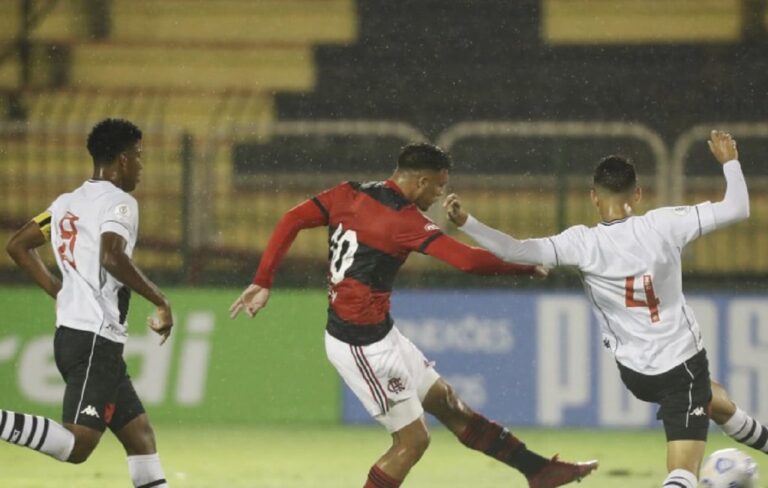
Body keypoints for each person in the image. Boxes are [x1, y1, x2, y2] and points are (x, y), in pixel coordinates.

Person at [230, 142, 598, 488]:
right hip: (360, 345)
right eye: (438, 186)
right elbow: (467, 261)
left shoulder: (349, 193)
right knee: (413, 441)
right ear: (421, 181)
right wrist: (524, 266)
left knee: (449, 404)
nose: (439, 195)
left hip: (380, 333)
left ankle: (538, 471)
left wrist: (263, 280)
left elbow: (290, 219)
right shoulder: (403, 220)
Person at [445, 130, 763, 488]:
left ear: (594, 198)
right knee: (683, 472)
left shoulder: (581, 243)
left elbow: (514, 250)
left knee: (712, 397)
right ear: (638, 194)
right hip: (680, 365)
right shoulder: (665, 224)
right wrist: (730, 162)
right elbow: (738, 207)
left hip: (635, 373)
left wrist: (466, 222)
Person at [4, 118, 173, 488]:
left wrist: (59, 290)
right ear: (123, 159)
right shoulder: (120, 203)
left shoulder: (66, 204)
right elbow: (111, 256)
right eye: (139, 156)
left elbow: (18, 244)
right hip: (95, 339)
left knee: (140, 437)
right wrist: (160, 301)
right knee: (78, 446)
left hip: (76, 336)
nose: (142, 166)